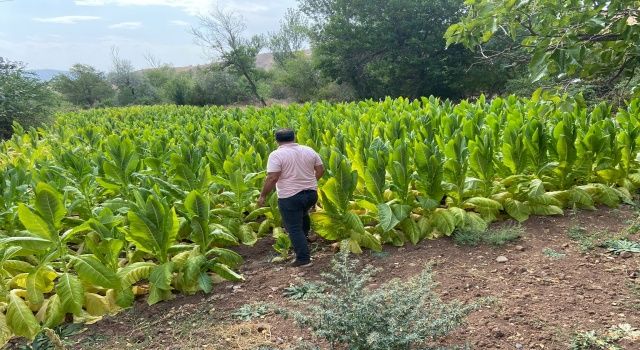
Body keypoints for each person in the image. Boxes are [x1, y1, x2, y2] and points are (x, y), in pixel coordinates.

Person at [257, 128, 324, 267]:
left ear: (277, 140)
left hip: (290, 197)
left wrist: (263, 195)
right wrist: (310, 182)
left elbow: (272, 177)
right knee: (304, 215)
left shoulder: (276, 155)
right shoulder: (309, 150)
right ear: (294, 137)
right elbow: (320, 170)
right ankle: (303, 241)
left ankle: (303, 259)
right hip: (311, 194)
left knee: (293, 228)